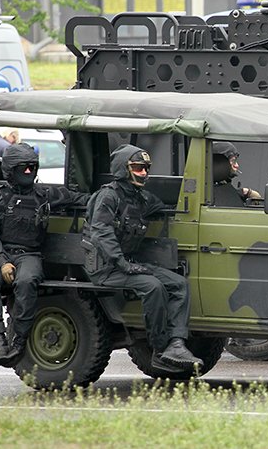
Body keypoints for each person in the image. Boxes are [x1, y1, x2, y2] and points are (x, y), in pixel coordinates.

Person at [82, 144, 203, 373]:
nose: (144, 173)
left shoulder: (139, 198)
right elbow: (101, 232)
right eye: (137, 168)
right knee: (153, 286)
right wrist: (122, 263)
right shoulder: (108, 196)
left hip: (128, 263)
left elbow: (165, 205)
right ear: (123, 169)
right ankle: (158, 351)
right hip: (106, 267)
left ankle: (176, 344)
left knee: (178, 284)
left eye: (146, 168)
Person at [0, 144, 90, 368]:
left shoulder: (43, 195)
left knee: (27, 282)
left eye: (32, 167)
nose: (29, 172)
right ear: (10, 170)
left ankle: (18, 341)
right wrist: (3, 262)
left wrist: (105, 199)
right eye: (23, 168)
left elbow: (77, 199)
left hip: (29, 254)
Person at [212, 141, 261, 206]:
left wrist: (244, 192)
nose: (237, 165)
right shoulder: (210, 195)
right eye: (233, 161)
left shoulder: (223, 189)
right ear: (218, 162)